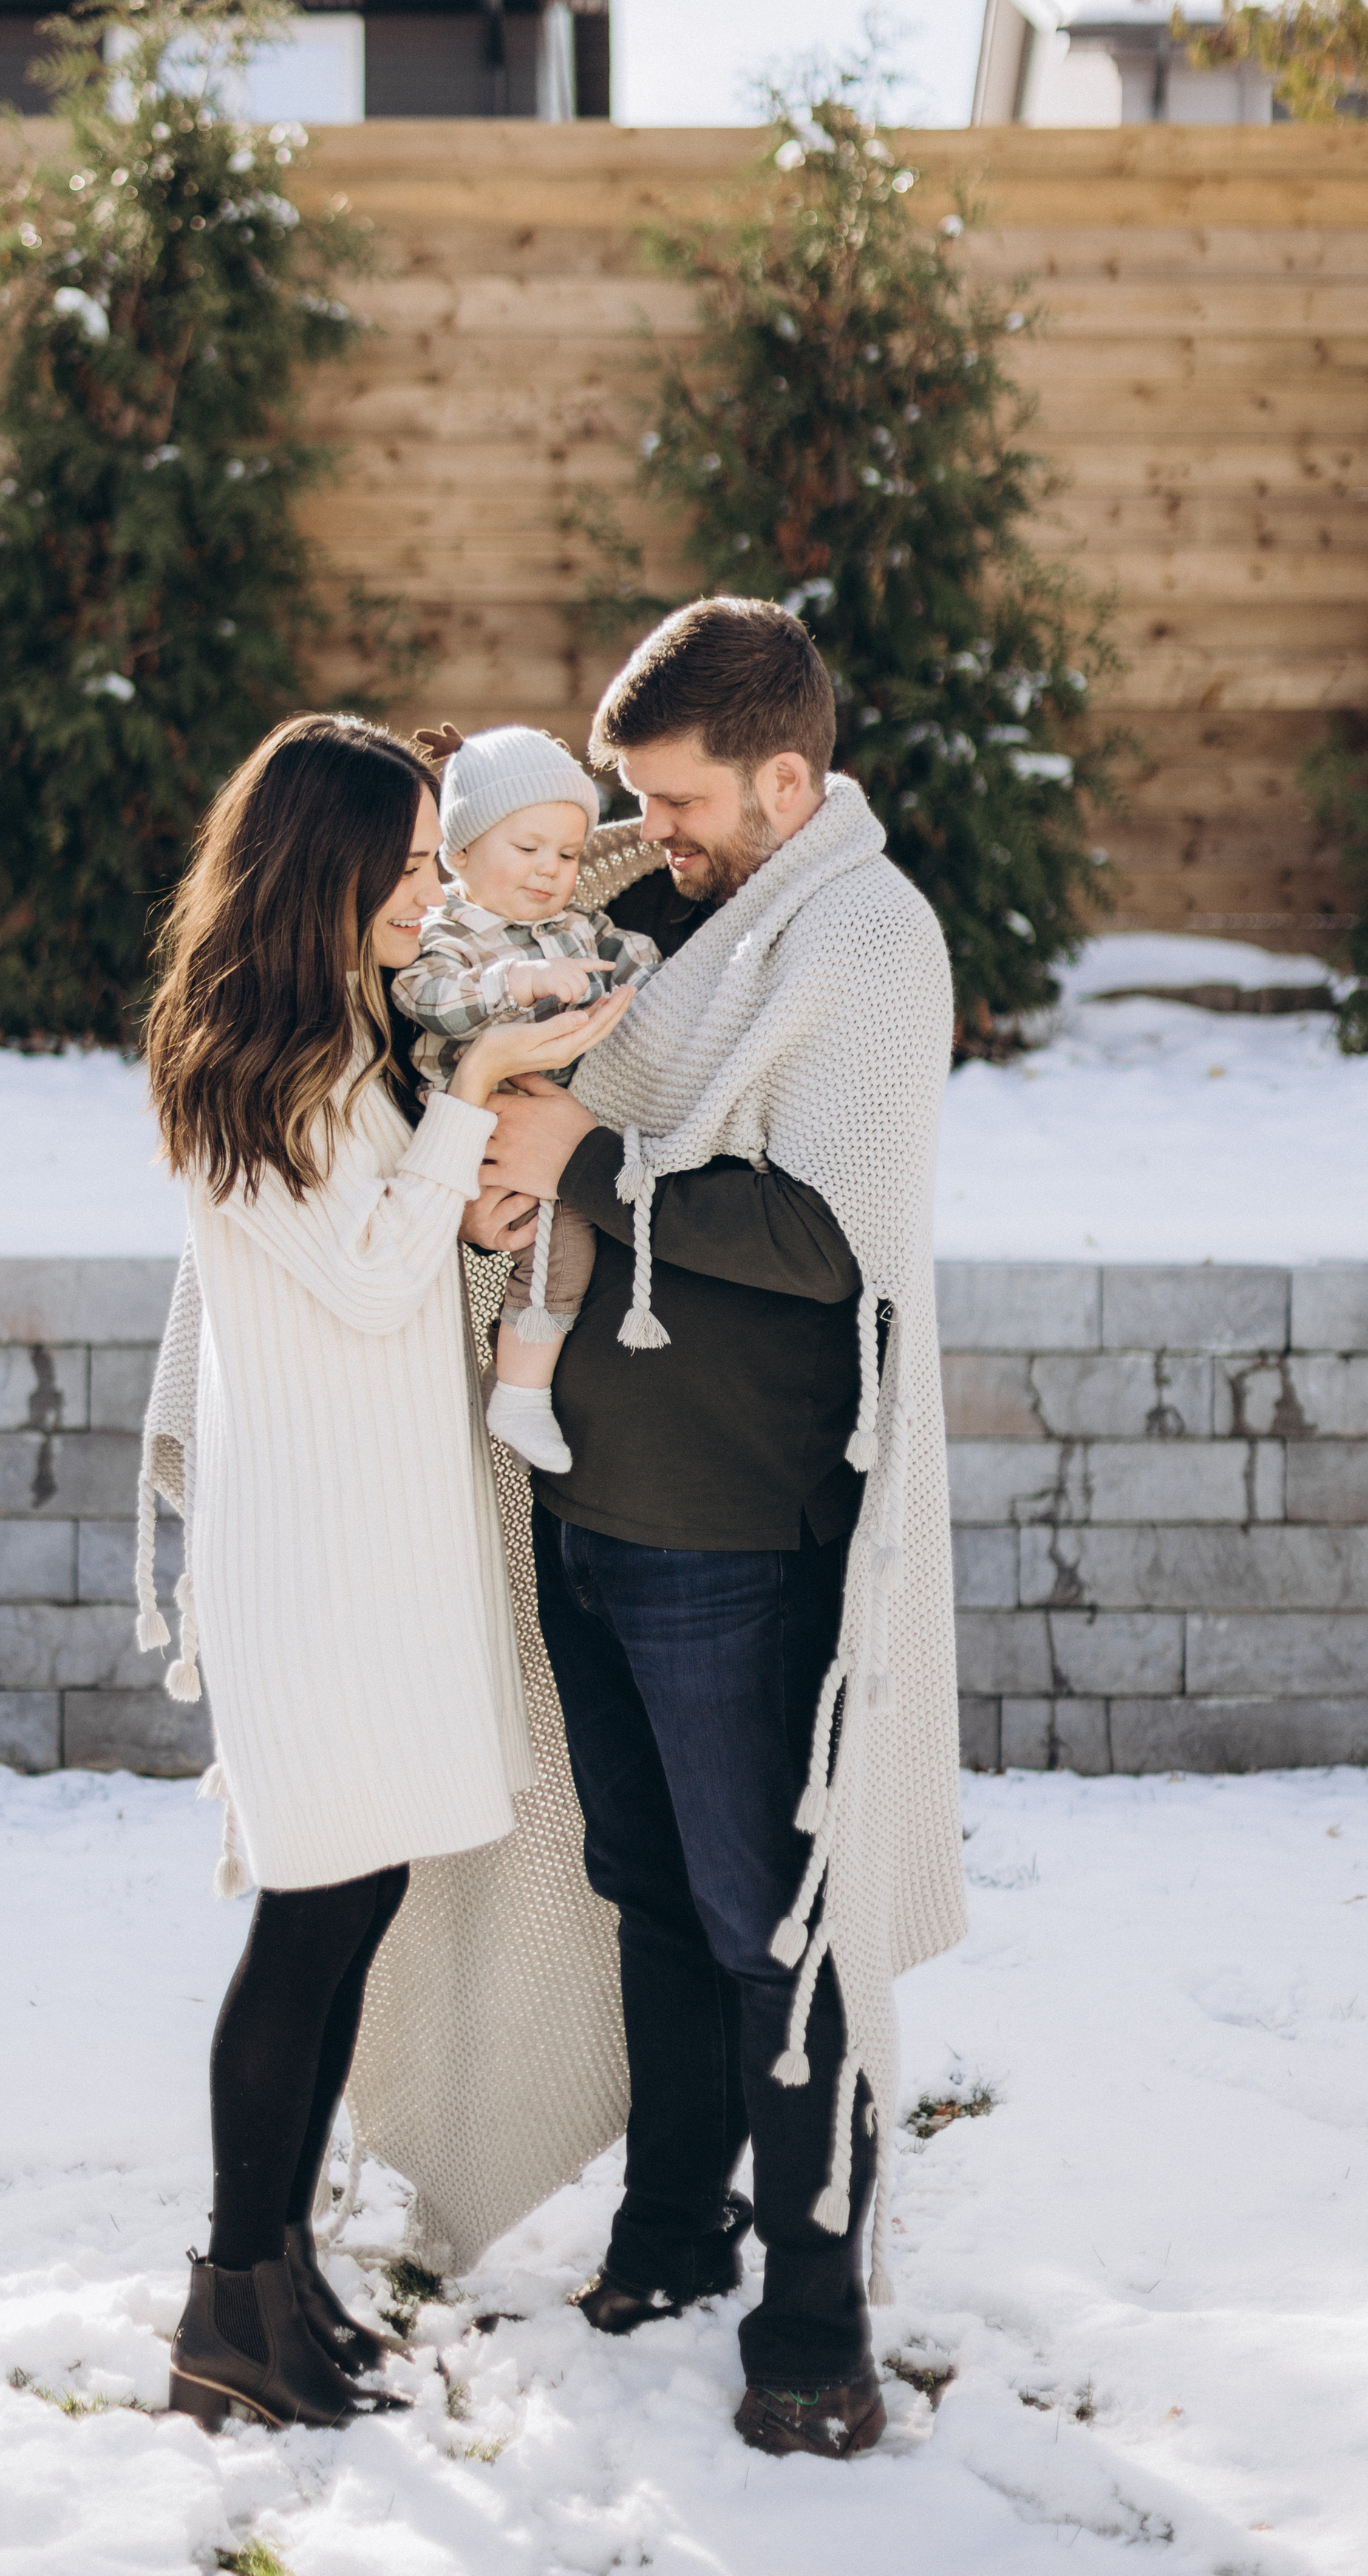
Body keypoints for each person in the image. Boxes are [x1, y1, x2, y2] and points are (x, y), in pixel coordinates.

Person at [469, 597, 965, 2461]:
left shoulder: (861, 939)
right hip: (585, 1486)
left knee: (774, 1923)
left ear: (784, 774)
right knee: (648, 1897)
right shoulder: (664, 912)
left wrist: (580, 1152)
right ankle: (672, 2233)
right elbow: (504, 941)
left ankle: (814, 2325)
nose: (653, 834)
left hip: (730, 1525)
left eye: (679, 803)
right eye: (639, 804)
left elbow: (826, 1235)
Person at [135, 712, 633, 2434]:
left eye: (436, 859)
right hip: (309, 1565)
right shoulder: (239, 1065)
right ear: (320, 868)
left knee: (349, 1917)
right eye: (409, 861)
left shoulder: (346, 1031)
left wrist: (476, 1190)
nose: (431, 890)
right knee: (311, 1920)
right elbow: (351, 1283)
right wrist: (479, 1097)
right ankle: (223, 2302)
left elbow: (390, 1258)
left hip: (377, 1539)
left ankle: (280, 2284)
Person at [391, 720, 661, 1476]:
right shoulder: (450, 935)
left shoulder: (574, 926)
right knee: (562, 1246)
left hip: (560, 1115)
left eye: (568, 855)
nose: (550, 871)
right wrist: (512, 984)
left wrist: (646, 972)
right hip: (483, 1127)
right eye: (528, 849)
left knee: (583, 1234)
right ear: (460, 855)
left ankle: (528, 1379)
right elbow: (425, 997)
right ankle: (518, 1389)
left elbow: (625, 955)